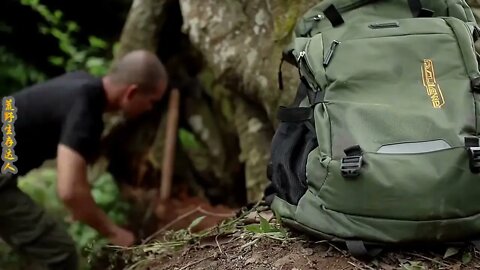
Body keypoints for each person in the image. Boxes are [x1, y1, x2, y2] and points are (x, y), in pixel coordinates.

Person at [0, 49, 168, 270]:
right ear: (131, 92)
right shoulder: (85, 109)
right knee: (60, 253)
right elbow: (70, 190)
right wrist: (113, 232)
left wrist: (81, 207)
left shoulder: (81, 83)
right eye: (151, 101)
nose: (149, 109)